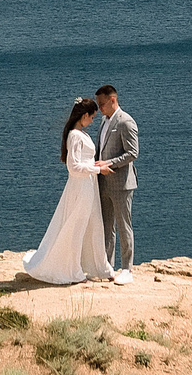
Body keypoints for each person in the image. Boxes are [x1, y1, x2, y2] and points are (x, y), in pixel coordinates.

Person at [21, 96, 114, 285]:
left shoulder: (81, 134)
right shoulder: (75, 136)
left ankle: (102, 268)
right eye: (92, 117)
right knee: (77, 228)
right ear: (84, 115)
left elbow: (83, 161)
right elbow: (73, 167)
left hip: (89, 185)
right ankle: (74, 271)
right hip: (81, 186)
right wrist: (98, 170)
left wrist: (95, 165)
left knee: (94, 225)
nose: (92, 121)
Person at [94, 83, 139, 284]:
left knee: (123, 225)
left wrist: (109, 163)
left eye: (102, 104)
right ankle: (107, 266)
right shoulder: (104, 121)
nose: (99, 108)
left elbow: (133, 153)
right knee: (106, 226)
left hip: (121, 183)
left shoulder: (125, 121)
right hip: (103, 182)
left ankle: (127, 269)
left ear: (112, 100)